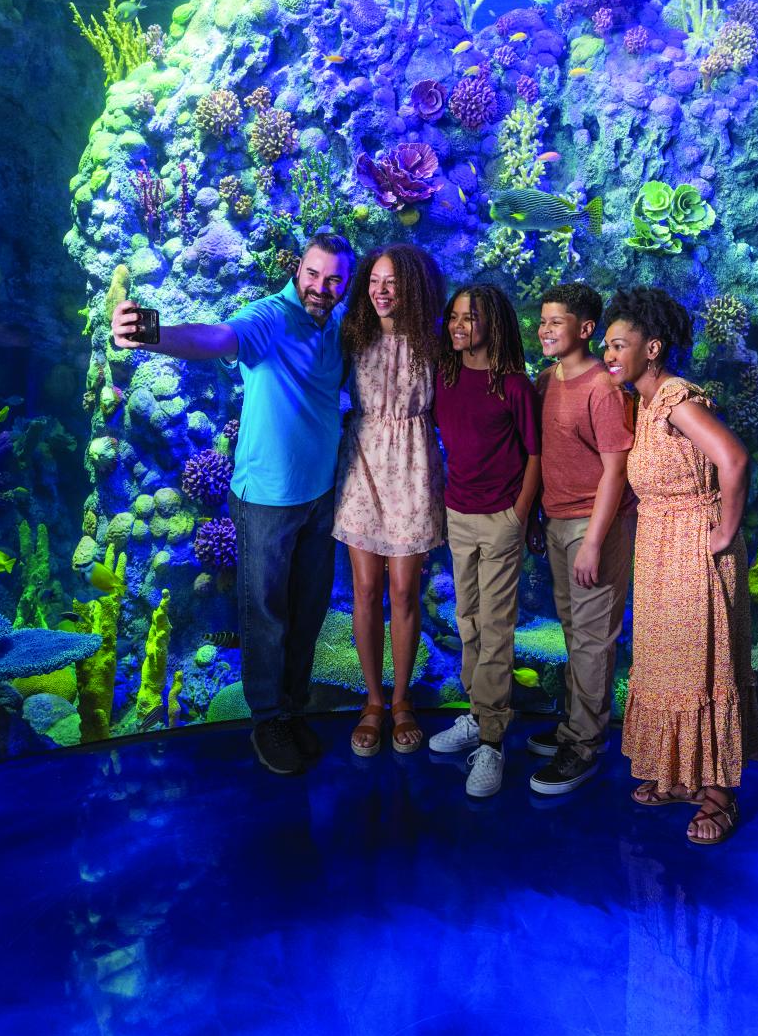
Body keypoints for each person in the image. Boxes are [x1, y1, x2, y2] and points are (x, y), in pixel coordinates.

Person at [110, 232, 355, 777]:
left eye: (334, 279)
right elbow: (215, 338)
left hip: (320, 498)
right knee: (265, 614)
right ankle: (267, 718)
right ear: (298, 269)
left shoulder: (338, 325)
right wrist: (148, 331)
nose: (321, 287)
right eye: (313, 274)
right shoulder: (269, 317)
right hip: (266, 499)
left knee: (309, 610)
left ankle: (291, 708)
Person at [602, 286, 758, 845]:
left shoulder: (676, 399)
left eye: (620, 344)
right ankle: (678, 775)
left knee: (704, 666)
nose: (609, 353)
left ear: (654, 348)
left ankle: (718, 792)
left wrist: (724, 530)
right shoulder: (643, 403)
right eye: (606, 345)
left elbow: (734, 459)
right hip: (660, 548)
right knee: (669, 665)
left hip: (694, 549)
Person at [428, 284, 542, 797]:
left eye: (469, 319)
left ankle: (493, 743)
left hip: (500, 518)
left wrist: (519, 514)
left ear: (493, 324)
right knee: (468, 622)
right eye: (453, 317)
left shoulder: (514, 385)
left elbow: (535, 455)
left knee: (495, 628)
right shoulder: (445, 375)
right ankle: (477, 717)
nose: (457, 326)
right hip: (458, 514)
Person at [334, 244, 445, 758]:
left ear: (414, 288)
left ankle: (402, 700)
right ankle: (373, 701)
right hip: (362, 464)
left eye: (393, 282)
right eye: (375, 281)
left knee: (404, 589)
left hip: (414, 466)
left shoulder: (433, 342)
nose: (381, 291)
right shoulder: (352, 335)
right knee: (365, 585)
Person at [528, 282, 636, 795]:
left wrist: (593, 542)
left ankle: (584, 747)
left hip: (597, 524)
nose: (544, 329)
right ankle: (575, 722)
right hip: (556, 520)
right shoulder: (547, 380)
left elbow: (616, 470)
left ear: (586, 329)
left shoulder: (603, 388)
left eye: (556, 321)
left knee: (593, 640)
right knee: (574, 633)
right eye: (542, 320)